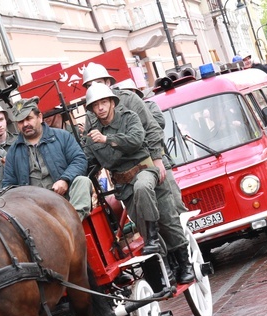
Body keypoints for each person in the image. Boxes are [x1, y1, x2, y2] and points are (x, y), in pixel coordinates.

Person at [82, 83, 195, 284]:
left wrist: (107, 139)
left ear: (112, 102)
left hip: (146, 171)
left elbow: (136, 139)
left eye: (104, 102)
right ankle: (167, 264)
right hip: (124, 185)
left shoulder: (128, 117)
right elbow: (90, 161)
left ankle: (185, 263)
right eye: (95, 105)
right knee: (143, 224)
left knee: (167, 220)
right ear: (91, 109)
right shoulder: (92, 136)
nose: (100, 108)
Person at [3, 97, 93, 220]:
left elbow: (79, 160)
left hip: (65, 197)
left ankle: (73, 223)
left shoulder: (62, 136)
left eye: (29, 118)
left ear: (39, 117)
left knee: (82, 181)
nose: (25, 124)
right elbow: (8, 186)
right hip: (35, 209)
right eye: (20, 121)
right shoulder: (13, 152)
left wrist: (65, 180)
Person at [114, 77, 187, 215]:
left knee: (176, 202)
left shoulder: (150, 106)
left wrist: (132, 130)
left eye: (130, 92)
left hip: (158, 159)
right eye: (125, 93)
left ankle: (188, 233)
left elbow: (157, 124)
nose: (128, 97)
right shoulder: (118, 118)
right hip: (135, 167)